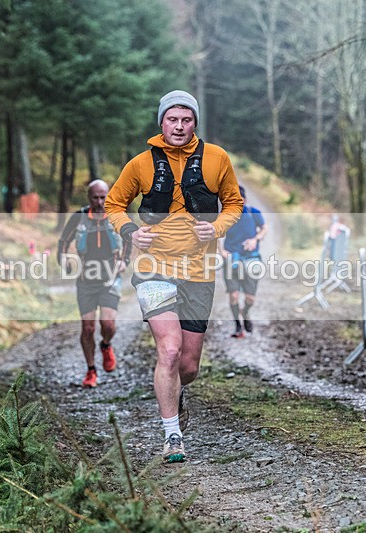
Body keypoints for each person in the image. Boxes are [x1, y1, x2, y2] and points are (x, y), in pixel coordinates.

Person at [105, 90, 242, 463]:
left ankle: (177, 390)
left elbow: (233, 204)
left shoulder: (217, 159)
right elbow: (114, 204)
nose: (179, 127)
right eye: (172, 119)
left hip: (198, 271)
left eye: (186, 120)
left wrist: (217, 229)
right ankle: (172, 436)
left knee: (188, 365)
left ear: (194, 122)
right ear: (161, 122)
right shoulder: (139, 164)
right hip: (153, 269)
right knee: (168, 349)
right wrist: (131, 232)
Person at [57, 180, 132, 388]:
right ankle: (91, 371)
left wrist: (124, 262)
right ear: (88, 198)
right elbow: (63, 241)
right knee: (88, 328)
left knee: (107, 324)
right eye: (95, 197)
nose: (99, 202)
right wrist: (63, 260)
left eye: (103, 197)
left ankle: (106, 345)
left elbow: (128, 239)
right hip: (85, 279)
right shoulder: (80, 217)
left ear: (109, 196)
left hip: (110, 278)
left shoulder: (117, 215)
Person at [218, 185, 268, 338]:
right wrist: (222, 252)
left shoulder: (254, 213)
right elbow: (216, 233)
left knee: (250, 298)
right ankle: (237, 326)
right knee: (233, 295)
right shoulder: (225, 215)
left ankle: (245, 312)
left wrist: (255, 239)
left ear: (244, 200)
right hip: (231, 260)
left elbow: (265, 228)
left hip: (251, 260)